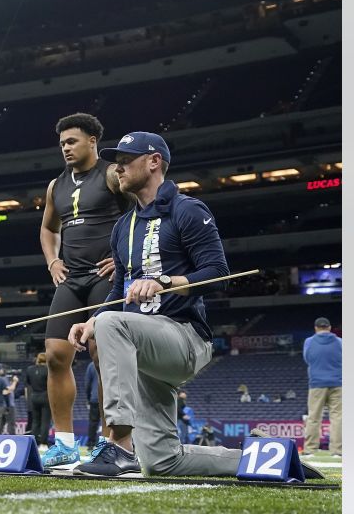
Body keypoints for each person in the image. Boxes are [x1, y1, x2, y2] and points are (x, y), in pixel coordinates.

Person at [68, 131, 242, 477]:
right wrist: (92, 320)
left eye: (125, 160)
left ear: (153, 162)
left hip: (186, 337)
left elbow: (218, 274)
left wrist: (165, 282)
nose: (117, 168)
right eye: (116, 162)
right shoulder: (122, 227)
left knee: (111, 324)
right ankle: (257, 456)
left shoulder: (188, 210)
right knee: (163, 463)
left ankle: (118, 445)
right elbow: (118, 290)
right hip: (143, 344)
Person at [38, 113, 130, 468]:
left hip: (105, 277)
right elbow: (48, 229)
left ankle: (110, 442)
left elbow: (143, 212)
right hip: (71, 279)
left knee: (101, 355)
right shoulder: (55, 186)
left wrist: (121, 259)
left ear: (93, 140)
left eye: (72, 141)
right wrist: (52, 262)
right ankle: (63, 443)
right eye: (62, 143)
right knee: (56, 355)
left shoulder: (111, 173)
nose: (66, 148)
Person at [302, 317, 342, 457]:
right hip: (338, 383)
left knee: (314, 417)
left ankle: (310, 450)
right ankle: (337, 451)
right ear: (330, 328)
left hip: (317, 384)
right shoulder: (339, 342)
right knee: (337, 417)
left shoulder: (309, 342)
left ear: (316, 328)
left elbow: (307, 359)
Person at [22, 354, 51, 446]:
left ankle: (34, 443)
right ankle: (43, 442)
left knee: (35, 421)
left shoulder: (30, 369)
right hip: (45, 396)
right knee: (45, 421)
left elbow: (28, 384)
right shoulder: (48, 370)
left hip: (34, 396)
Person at [84, 359, 102, 448]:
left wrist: (88, 397)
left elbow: (87, 383)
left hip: (95, 398)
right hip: (108, 398)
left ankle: (91, 443)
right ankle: (109, 443)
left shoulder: (91, 365)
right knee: (109, 422)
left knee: (93, 422)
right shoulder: (112, 361)